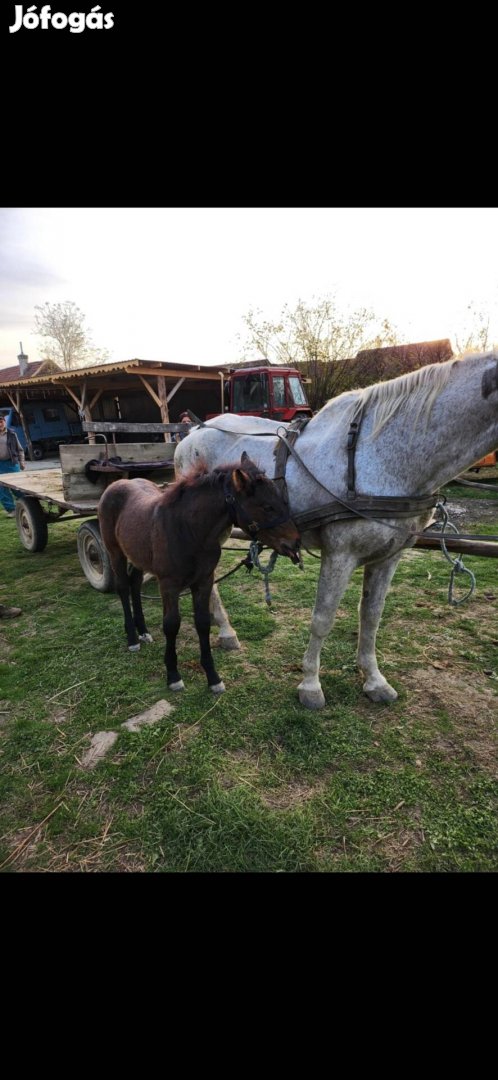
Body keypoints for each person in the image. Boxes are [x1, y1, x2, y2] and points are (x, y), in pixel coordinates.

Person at [0, 413, 26, 516]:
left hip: (12, 464)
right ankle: (11, 510)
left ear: (4, 422)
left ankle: (27, 505)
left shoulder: (12, 434)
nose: (0, 424)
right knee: (2, 489)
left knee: (17, 487)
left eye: (1, 422)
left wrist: (22, 462)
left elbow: (20, 450)